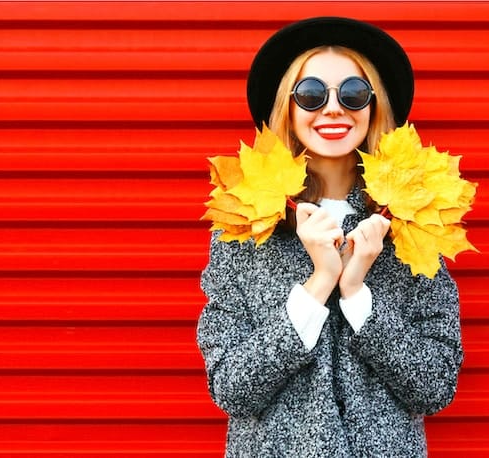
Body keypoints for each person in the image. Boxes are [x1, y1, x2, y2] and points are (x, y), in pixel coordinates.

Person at [197, 16, 463, 457]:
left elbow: (435, 387)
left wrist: (358, 294)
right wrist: (319, 283)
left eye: (354, 94)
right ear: (289, 107)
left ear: (375, 107)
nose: (334, 109)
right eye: (312, 94)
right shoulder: (244, 228)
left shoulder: (414, 221)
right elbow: (231, 389)